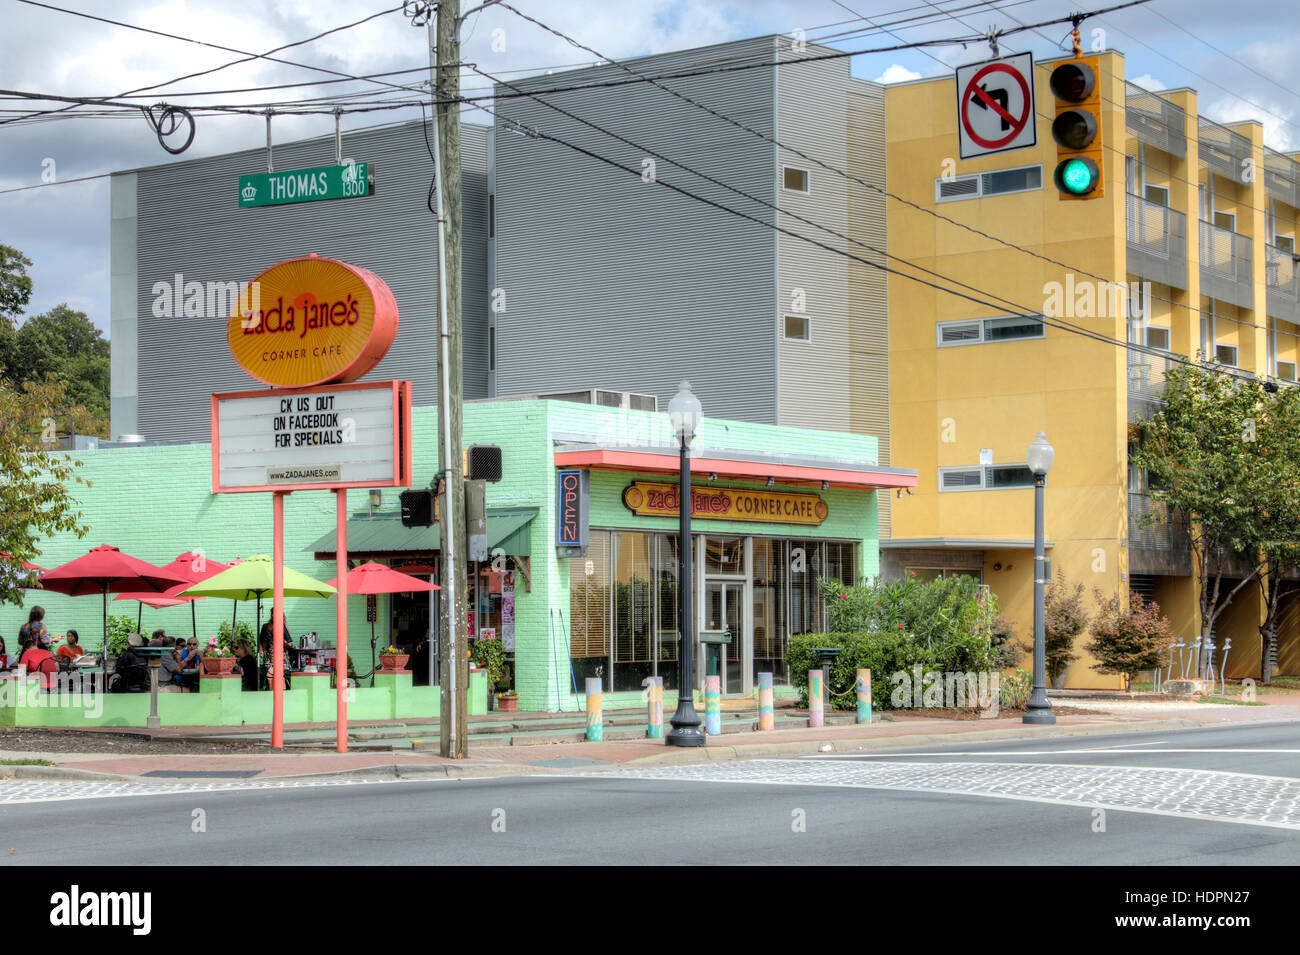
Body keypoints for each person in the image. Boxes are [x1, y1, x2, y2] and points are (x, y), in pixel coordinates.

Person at [258, 619, 293, 691]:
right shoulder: (266, 626)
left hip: (278, 655)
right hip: (271, 655)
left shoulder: (282, 627)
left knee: (275, 675)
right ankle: (274, 693)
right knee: (272, 675)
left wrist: (285, 643)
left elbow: (290, 643)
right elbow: (261, 641)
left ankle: (279, 693)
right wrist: (261, 651)